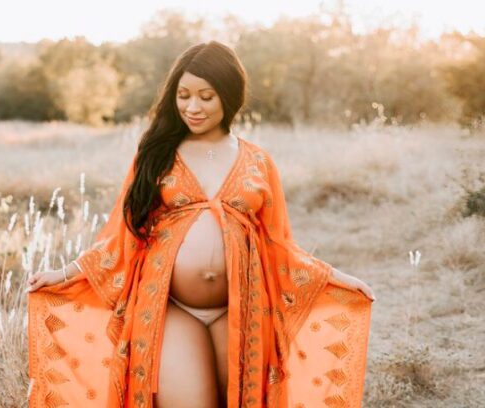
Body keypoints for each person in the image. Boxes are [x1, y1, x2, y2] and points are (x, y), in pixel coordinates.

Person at [26, 40, 375, 408]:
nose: (193, 107)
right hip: (172, 307)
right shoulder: (155, 155)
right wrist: (65, 273)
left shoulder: (258, 162)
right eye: (184, 95)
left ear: (229, 96)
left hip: (242, 310)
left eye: (206, 96)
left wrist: (336, 279)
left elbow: (278, 244)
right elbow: (121, 237)